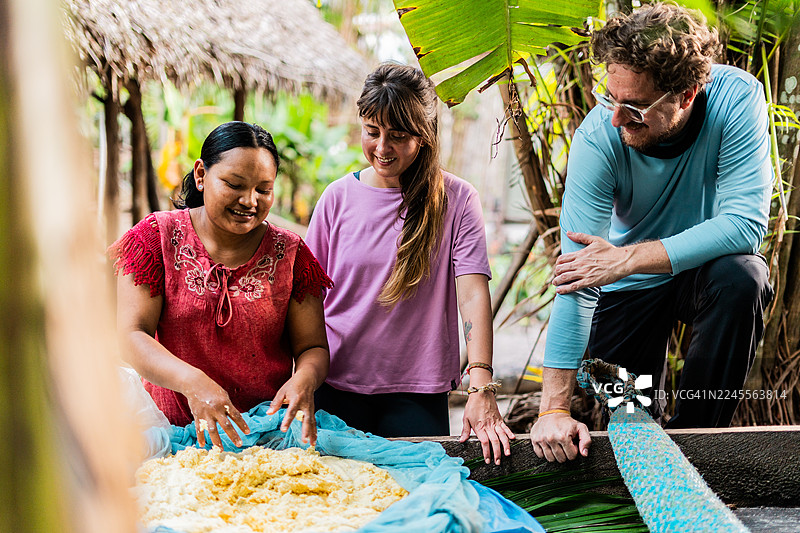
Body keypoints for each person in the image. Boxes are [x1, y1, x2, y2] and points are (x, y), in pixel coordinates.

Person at [530, 3, 774, 463]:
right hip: (624, 292)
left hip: (699, 274)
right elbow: (576, 279)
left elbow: (745, 225)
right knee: (632, 427)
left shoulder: (736, 98)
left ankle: (700, 446)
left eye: (635, 107)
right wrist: (553, 409)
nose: (617, 118)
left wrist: (626, 257)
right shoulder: (597, 138)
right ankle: (648, 453)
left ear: (686, 94)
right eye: (610, 98)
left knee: (744, 277)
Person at [304, 63, 514, 465]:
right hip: (334, 383)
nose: (382, 147)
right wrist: (300, 376)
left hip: (418, 390)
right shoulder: (336, 198)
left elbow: (471, 293)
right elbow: (307, 298)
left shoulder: (456, 199)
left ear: (424, 135)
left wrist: (481, 386)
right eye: (372, 132)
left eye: (398, 136)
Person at [111, 121, 333, 448]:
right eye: (234, 184)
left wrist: (304, 379)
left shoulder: (291, 254)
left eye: (263, 189)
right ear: (201, 175)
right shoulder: (155, 239)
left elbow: (312, 347)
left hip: (262, 439)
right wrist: (193, 383)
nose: (249, 201)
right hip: (170, 436)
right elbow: (131, 335)